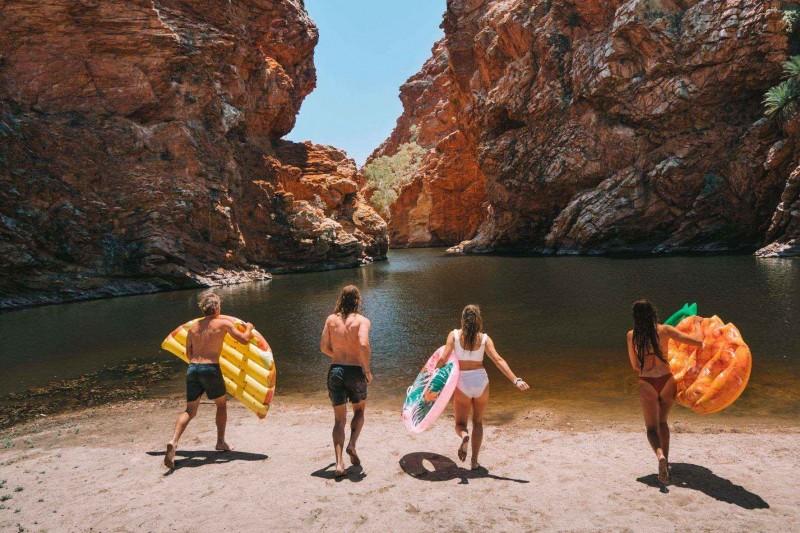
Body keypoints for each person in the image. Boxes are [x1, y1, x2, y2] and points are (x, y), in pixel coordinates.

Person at [164, 291, 259, 469]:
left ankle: (174, 441)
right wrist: (250, 327)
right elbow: (245, 340)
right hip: (211, 369)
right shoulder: (222, 323)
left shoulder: (193, 328)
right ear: (216, 307)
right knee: (221, 405)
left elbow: (189, 353)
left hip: (193, 369)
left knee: (190, 411)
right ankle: (220, 442)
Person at [437, 305, 529, 470]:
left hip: (462, 382)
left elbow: (442, 359)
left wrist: (430, 378)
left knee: (460, 424)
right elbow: (498, 360)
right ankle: (474, 461)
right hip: (481, 381)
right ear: (479, 320)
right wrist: (516, 380)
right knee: (478, 422)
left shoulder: (454, 335)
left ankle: (464, 436)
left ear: (462, 319)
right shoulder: (485, 339)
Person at [626, 299, 703, 484]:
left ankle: (659, 456)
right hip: (666, 381)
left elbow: (635, 366)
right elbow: (698, 342)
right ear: (653, 313)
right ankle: (666, 464)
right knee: (663, 423)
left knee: (651, 428)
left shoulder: (631, 335)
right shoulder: (665, 331)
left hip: (647, 382)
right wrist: (698, 323)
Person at [320, 285, 373, 477]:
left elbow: (323, 347)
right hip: (355, 371)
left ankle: (339, 464)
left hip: (336, 371)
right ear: (358, 300)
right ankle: (352, 444)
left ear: (340, 299)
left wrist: (339, 356)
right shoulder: (362, 321)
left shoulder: (331, 320)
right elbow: (363, 344)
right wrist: (366, 369)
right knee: (359, 411)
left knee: (339, 420)